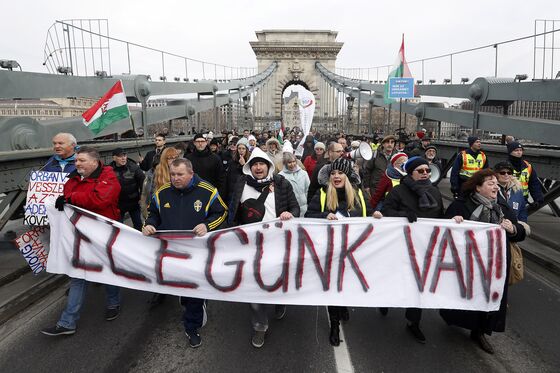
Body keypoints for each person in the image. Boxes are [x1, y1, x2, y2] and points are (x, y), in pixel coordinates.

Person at [143, 158, 227, 348]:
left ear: (191, 173)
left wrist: (207, 225)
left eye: (180, 174)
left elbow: (221, 212)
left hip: (198, 251)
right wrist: (149, 224)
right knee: (182, 288)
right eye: (172, 174)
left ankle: (192, 327)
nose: (175, 178)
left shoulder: (208, 191)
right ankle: (191, 301)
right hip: (171, 251)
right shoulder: (161, 192)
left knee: (193, 288)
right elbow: (152, 213)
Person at [441, 169, 526, 354]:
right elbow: (443, 231)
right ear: (478, 188)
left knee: (487, 298)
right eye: (490, 183)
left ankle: (479, 332)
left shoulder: (501, 208)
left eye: (496, 183)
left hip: (495, 264)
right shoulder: (461, 205)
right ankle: (453, 316)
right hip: (468, 263)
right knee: (464, 294)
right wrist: (453, 222)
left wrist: (512, 229)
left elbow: (519, 233)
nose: (496, 186)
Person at [41, 146, 122, 336]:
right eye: (76, 160)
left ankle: (113, 302)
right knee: (78, 275)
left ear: (94, 162)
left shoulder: (109, 177)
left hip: (102, 235)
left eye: (81, 160)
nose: (77, 163)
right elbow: (68, 199)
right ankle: (67, 322)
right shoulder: (73, 178)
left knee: (107, 270)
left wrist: (69, 198)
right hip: (79, 235)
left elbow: (99, 199)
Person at [227, 148, 299, 348]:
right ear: (250, 167)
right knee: (254, 283)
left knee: (277, 277)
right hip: (249, 245)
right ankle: (260, 325)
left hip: (277, 242)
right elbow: (232, 210)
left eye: (262, 164)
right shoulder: (241, 184)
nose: (258, 168)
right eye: (254, 164)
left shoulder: (282, 183)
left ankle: (280, 299)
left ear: (268, 166)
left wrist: (289, 214)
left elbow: (295, 207)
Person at [305, 157, 372, 346]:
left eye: (340, 173)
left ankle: (344, 304)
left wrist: (376, 215)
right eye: (333, 173)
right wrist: (325, 215)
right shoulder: (323, 194)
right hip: (330, 251)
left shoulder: (359, 195)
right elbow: (308, 216)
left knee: (348, 283)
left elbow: (370, 213)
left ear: (347, 176)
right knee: (334, 286)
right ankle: (334, 324)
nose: (336, 176)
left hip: (354, 251)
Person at [378, 156, 444, 344]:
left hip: (424, 249)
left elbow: (441, 217)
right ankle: (384, 300)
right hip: (400, 247)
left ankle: (413, 322)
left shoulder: (435, 192)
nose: (425, 174)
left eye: (427, 171)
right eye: (420, 171)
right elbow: (386, 212)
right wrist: (403, 215)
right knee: (395, 278)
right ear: (411, 173)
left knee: (418, 285)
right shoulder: (398, 191)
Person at [110, 148, 145, 231]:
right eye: (120, 156)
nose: (123, 158)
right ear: (114, 158)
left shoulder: (134, 167)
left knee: (138, 225)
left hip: (134, 203)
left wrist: (141, 198)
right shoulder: (109, 169)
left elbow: (143, 183)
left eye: (124, 155)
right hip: (118, 204)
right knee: (118, 227)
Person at [507, 141, 544, 205]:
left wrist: (538, 199)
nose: (519, 152)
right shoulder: (505, 166)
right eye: (516, 150)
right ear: (510, 152)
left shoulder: (528, 166)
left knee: (522, 215)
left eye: (521, 150)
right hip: (509, 198)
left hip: (523, 199)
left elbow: (534, 183)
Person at [279, 152, 310, 216]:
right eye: (289, 162)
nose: (292, 164)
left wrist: (308, 203)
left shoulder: (303, 173)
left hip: (305, 207)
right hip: (291, 210)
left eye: (294, 161)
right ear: (285, 164)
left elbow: (308, 189)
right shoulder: (281, 176)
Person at [225, 137, 250, 204]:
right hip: (233, 193)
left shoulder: (250, 162)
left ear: (246, 150)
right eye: (239, 148)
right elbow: (228, 178)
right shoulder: (232, 162)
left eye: (243, 148)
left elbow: (249, 177)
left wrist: (243, 166)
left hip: (245, 193)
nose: (241, 150)